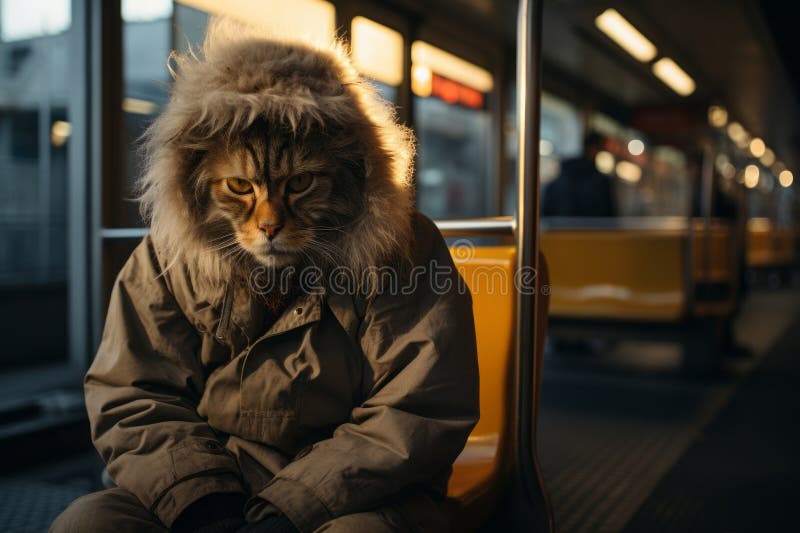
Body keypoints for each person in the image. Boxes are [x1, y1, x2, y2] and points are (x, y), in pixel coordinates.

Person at [51, 18, 479, 533]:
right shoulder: (165, 256)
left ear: (354, 173)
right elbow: (133, 396)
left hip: (361, 491)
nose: (269, 220)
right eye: (239, 186)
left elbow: (418, 409)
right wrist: (201, 501)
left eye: (299, 183)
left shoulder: (409, 248)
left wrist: (292, 507)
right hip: (212, 479)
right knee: (88, 523)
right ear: (195, 178)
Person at [542, 132, 617, 217]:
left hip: (560, 229)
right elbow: (609, 218)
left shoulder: (558, 180)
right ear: (594, 150)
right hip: (591, 229)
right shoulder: (601, 183)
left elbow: (546, 216)